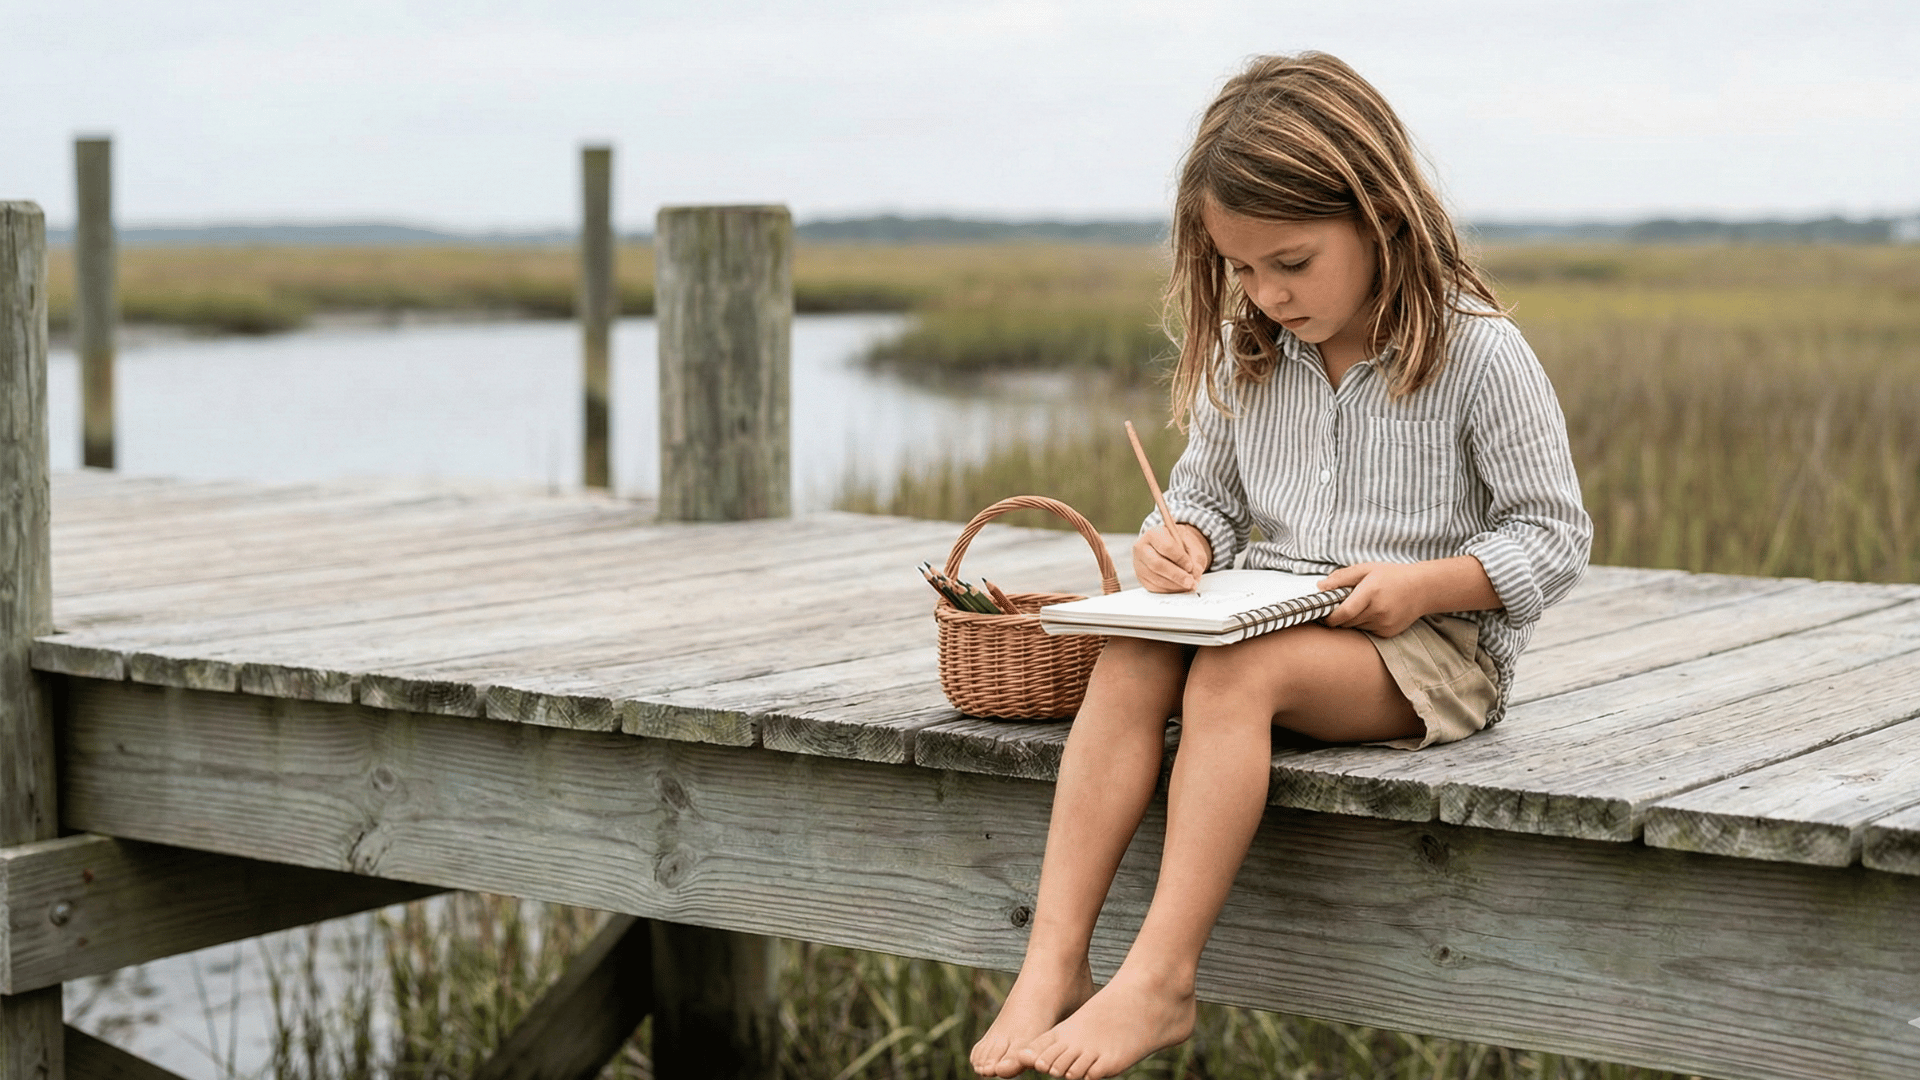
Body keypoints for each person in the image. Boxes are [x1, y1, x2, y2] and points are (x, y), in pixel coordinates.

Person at [967, 52, 1592, 1080]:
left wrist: (1421, 585)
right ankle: (1053, 962)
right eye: (1242, 269)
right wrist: (1185, 544)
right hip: (1268, 609)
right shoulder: (1250, 348)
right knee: (1128, 651)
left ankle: (1161, 980)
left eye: (1291, 262)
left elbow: (1552, 536)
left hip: (1428, 648)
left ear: (1380, 217)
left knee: (1233, 673)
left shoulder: (1479, 354)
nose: (1266, 292)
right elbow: (1208, 494)